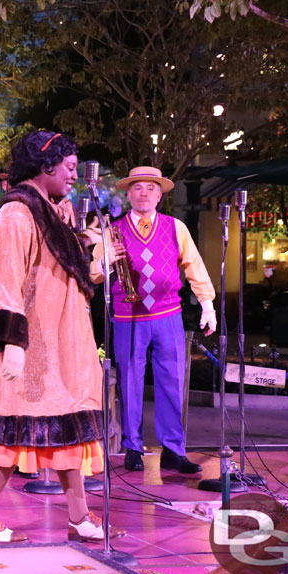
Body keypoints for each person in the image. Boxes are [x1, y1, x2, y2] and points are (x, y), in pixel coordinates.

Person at [0, 130, 123, 544]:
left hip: (59, 341)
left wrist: (94, 253)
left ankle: (80, 517)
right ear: (45, 166)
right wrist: (12, 343)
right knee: (15, 432)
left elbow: (63, 276)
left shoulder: (48, 212)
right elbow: (3, 279)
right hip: (30, 344)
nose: (74, 176)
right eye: (68, 168)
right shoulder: (17, 213)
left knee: (69, 427)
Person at [91, 166, 216, 474]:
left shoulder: (176, 227)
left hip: (168, 314)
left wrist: (207, 304)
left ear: (160, 196)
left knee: (172, 381)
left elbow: (194, 266)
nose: (143, 193)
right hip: (127, 316)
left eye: (150, 188)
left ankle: (173, 450)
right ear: (128, 193)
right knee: (130, 382)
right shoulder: (113, 229)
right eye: (137, 188)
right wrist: (107, 260)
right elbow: (94, 273)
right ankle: (133, 447)